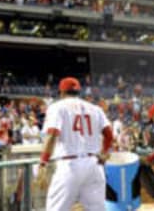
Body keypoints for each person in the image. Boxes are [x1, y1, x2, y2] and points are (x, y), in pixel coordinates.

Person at [35, 77, 113, 211]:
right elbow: (109, 134)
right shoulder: (95, 108)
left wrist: (43, 162)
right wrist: (105, 152)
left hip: (70, 165)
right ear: (78, 92)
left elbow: (52, 134)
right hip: (94, 165)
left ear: (61, 92)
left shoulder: (57, 107)